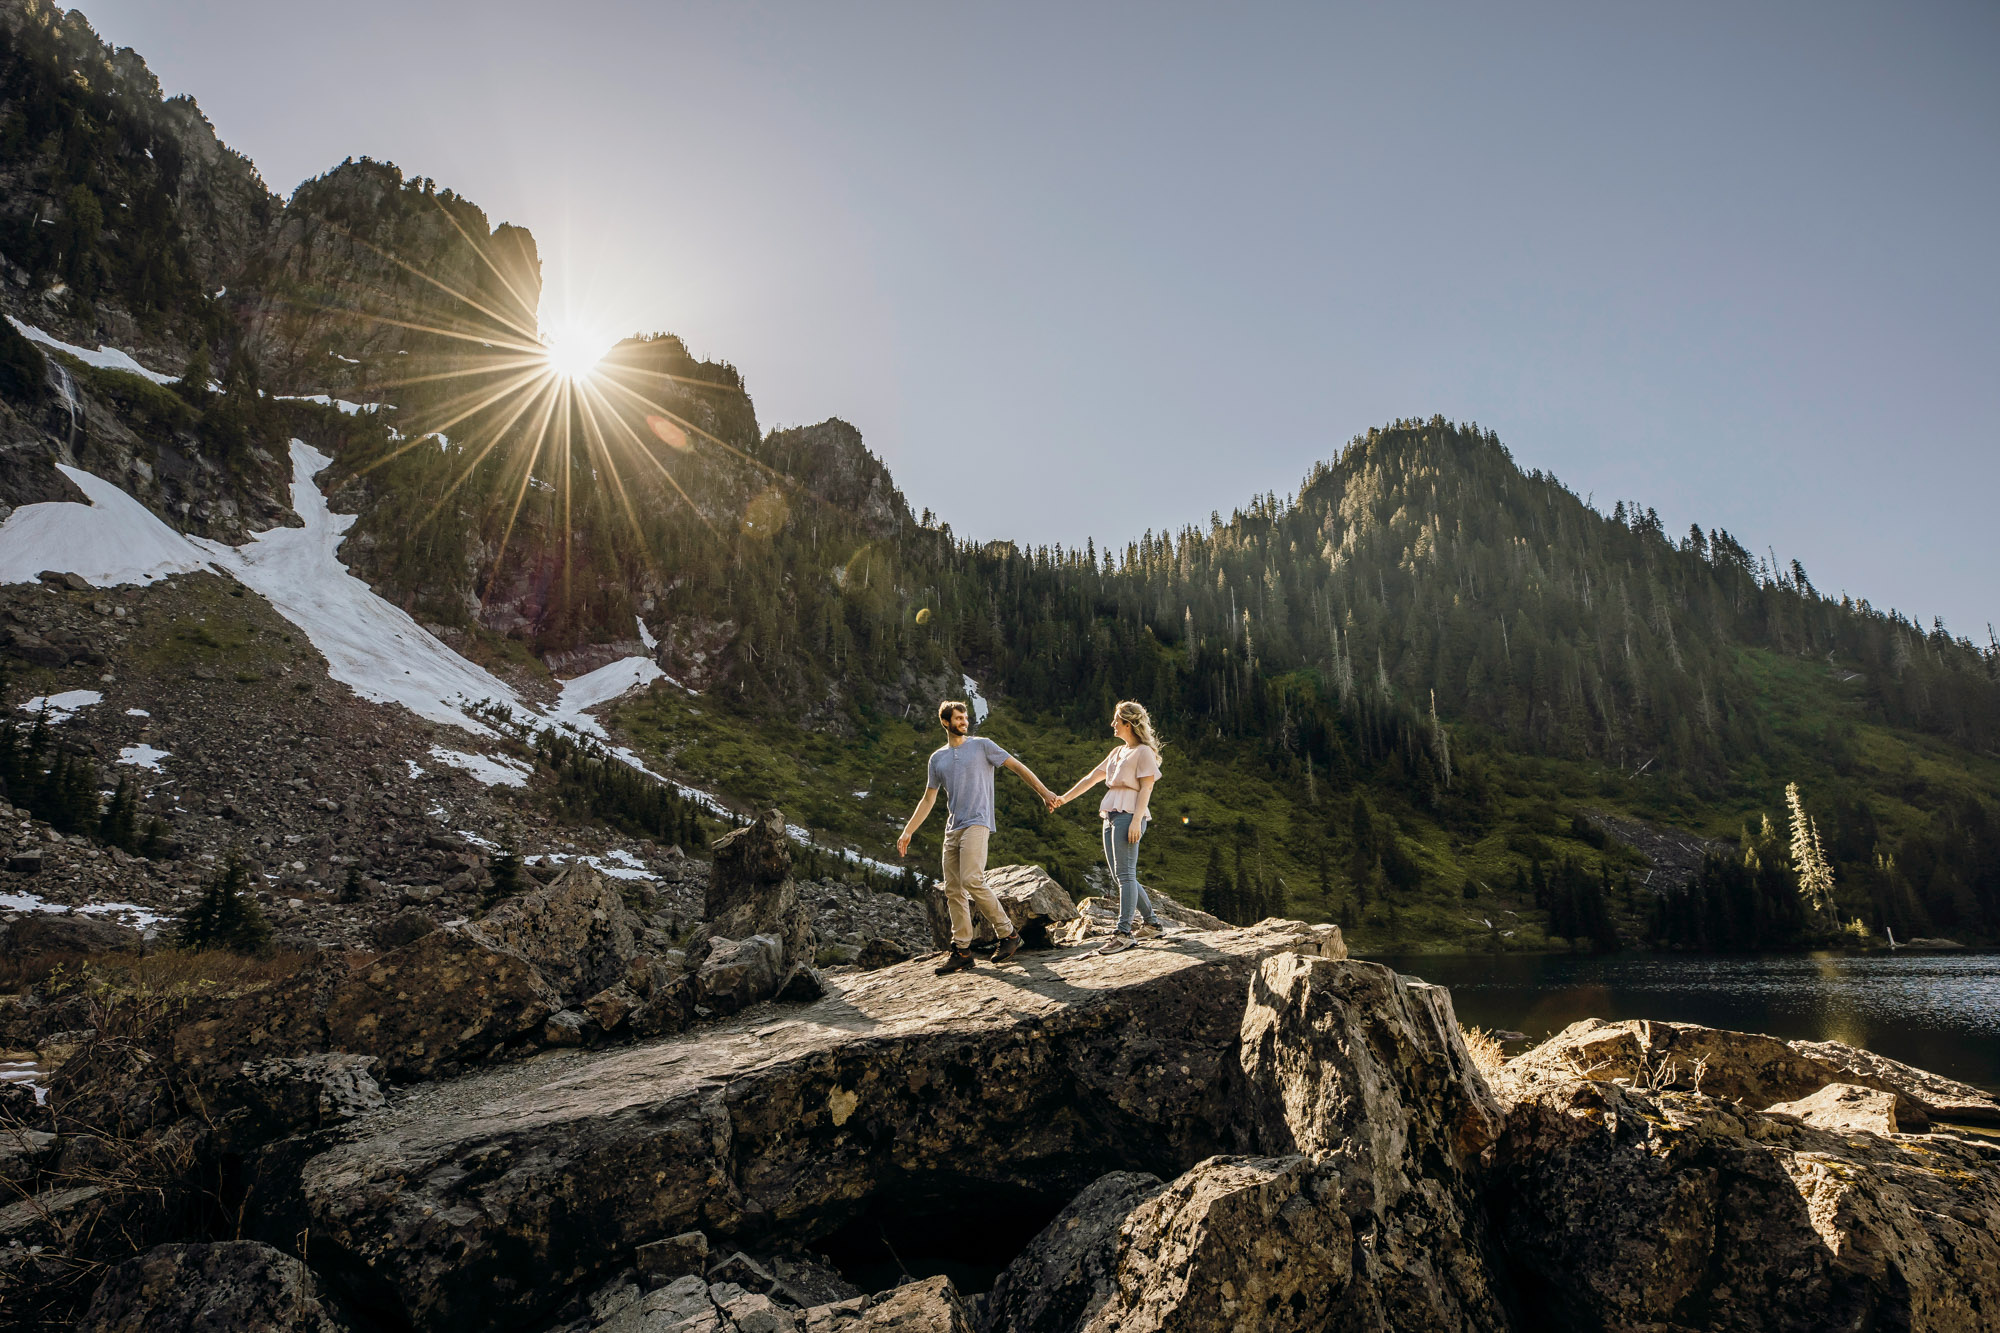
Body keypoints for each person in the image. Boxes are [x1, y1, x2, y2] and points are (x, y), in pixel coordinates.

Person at [898, 699, 1060, 974]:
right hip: (953, 828)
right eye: (958, 719)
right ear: (945, 722)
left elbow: (1017, 766)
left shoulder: (982, 745)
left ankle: (1008, 934)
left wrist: (1044, 793)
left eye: (965, 718)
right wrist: (908, 831)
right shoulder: (937, 758)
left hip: (978, 823)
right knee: (953, 890)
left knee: (972, 879)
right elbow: (928, 799)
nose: (964, 722)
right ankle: (962, 950)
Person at [1053, 700, 1166, 955]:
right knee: (1120, 876)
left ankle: (1124, 933)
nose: (1112, 724)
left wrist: (1137, 820)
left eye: (1116, 720)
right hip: (1111, 814)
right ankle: (1153, 924)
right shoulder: (1117, 752)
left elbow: (1147, 788)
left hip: (1129, 815)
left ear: (1128, 723)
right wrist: (1062, 799)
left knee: (1125, 875)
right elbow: (1091, 778)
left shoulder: (1143, 752)